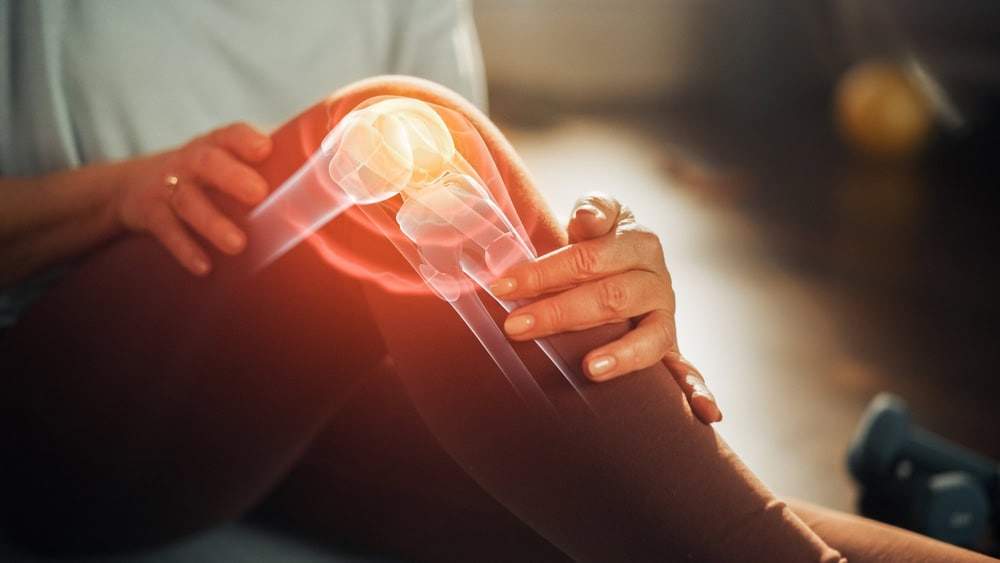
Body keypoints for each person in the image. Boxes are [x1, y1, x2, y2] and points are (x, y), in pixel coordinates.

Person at [0, 4, 992, 563]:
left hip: (317, 403)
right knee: (376, 139)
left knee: (715, 524)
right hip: (64, 409)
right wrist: (110, 198)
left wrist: (602, 280)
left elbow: (461, 233)